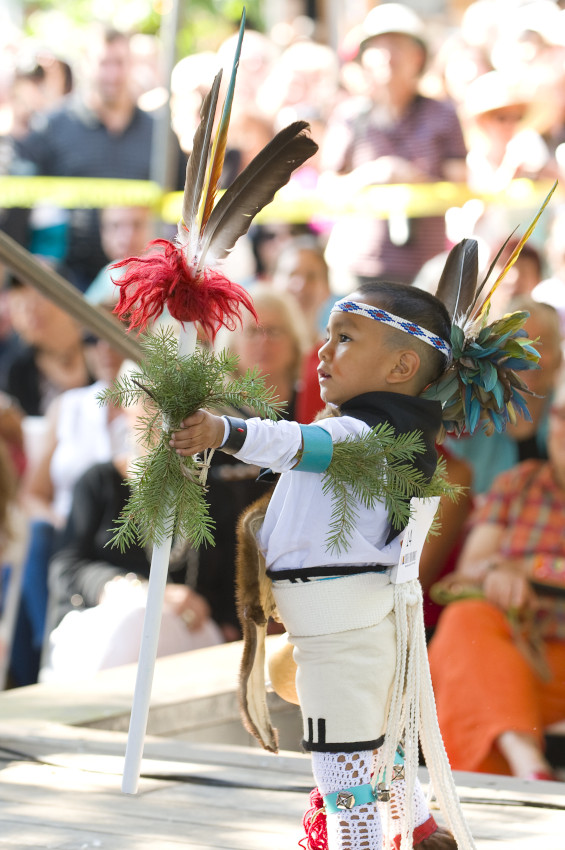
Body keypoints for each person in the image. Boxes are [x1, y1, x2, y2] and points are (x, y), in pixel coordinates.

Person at [170, 281, 465, 850]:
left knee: (343, 752)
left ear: (403, 365)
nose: (323, 353)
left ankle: (362, 841)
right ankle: (416, 829)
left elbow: (297, 445)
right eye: (326, 335)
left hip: (340, 629)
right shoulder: (382, 431)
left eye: (346, 337)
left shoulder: (366, 437)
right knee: (375, 735)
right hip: (344, 625)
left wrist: (224, 432)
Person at [428, 390, 565, 780]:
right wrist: (495, 572)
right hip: (510, 649)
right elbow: (472, 568)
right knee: (466, 619)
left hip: (556, 657)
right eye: (560, 415)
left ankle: (491, 796)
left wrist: (527, 568)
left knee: (463, 681)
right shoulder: (519, 484)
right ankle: (529, 767)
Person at [41, 397, 223, 683]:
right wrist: (133, 590)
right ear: (126, 412)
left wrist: (195, 606)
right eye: (151, 403)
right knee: (132, 625)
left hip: (186, 627)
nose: (165, 418)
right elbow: (66, 567)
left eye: (178, 406)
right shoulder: (98, 481)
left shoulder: (212, 491)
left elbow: (224, 581)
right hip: (99, 616)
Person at [11, 26, 185, 291]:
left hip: (144, 283)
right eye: (103, 63)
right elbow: (19, 205)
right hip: (66, 283)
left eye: (119, 62)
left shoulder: (159, 135)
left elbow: (184, 204)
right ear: (86, 65)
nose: (112, 74)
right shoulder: (52, 129)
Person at [320, 3, 467, 286]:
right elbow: (327, 187)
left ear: (418, 56)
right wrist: (373, 175)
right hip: (358, 267)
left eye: (398, 45)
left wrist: (413, 179)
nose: (388, 56)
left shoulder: (443, 115)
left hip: (426, 270)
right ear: (364, 59)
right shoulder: (349, 117)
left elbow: (460, 184)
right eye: (379, 46)